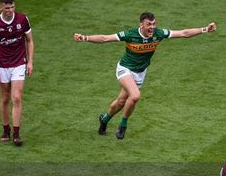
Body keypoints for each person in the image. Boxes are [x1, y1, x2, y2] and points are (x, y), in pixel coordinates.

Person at [73, 12, 216, 139]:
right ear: (141, 25)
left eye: (154, 24)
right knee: (135, 96)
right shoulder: (130, 34)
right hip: (125, 69)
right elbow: (105, 38)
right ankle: (123, 126)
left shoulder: (159, 34)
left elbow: (183, 33)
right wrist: (84, 37)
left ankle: (104, 120)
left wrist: (204, 29)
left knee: (121, 101)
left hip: (140, 72)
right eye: (149, 24)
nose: (152, 27)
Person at [0, 0, 34, 146]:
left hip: (19, 63)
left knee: (17, 97)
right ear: (1, 7)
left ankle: (16, 134)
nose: (10, 10)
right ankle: (6, 131)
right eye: (7, 8)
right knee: (5, 98)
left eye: (12, 7)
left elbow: (30, 40)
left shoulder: (22, 20)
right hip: (2, 65)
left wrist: (30, 62)